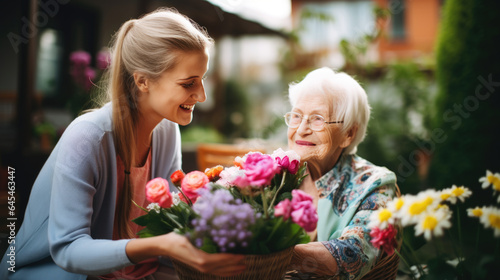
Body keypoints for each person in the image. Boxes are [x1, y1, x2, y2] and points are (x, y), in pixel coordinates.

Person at [0, 8, 246, 280]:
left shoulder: (167, 131)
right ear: (143, 81)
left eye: (202, 79)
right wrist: (159, 245)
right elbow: (67, 250)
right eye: (189, 83)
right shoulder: (87, 137)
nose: (201, 95)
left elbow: (164, 221)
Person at [284, 68, 400, 279]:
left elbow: (353, 254)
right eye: (296, 116)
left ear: (348, 134)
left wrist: (269, 253)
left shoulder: (375, 183)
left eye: (317, 119)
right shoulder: (278, 174)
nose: (301, 129)